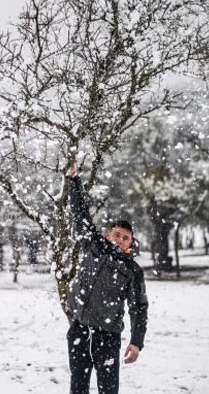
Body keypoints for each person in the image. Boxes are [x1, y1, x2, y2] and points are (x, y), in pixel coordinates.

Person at [65, 163, 149, 394]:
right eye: (117, 235)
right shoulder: (93, 246)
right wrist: (74, 182)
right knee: (78, 388)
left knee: (108, 391)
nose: (121, 240)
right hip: (80, 331)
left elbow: (138, 307)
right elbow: (80, 215)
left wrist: (136, 341)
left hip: (108, 338)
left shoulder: (132, 271)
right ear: (107, 234)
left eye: (126, 238)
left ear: (130, 243)